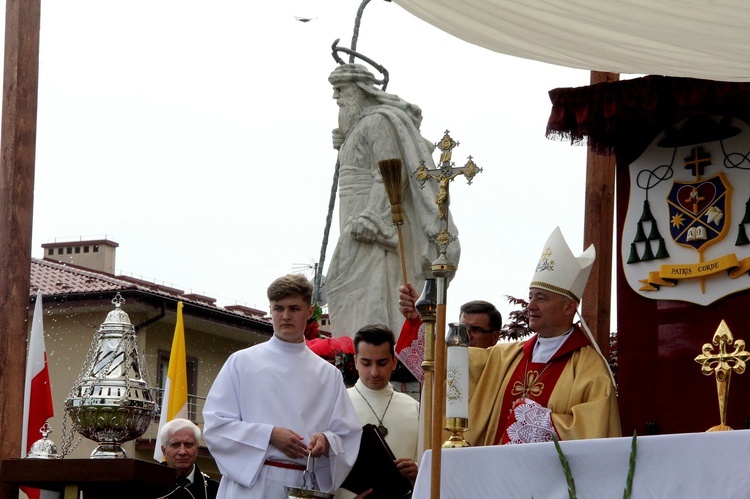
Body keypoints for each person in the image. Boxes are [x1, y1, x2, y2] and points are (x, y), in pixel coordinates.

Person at [325, 63, 460, 340]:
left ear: (361, 91)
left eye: (341, 89)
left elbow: (388, 170)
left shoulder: (378, 121)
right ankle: (356, 352)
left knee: (372, 289)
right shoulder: (360, 125)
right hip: (352, 215)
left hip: (374, 224)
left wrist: (372, 216)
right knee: (350, 290)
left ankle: (377, 351)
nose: (335, 97)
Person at [203, 274, 362, 499]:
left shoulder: (329, 375)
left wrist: (326, 441)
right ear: (270, 310)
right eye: (278, 308)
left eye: (294, 308)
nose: (285, 316)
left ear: (309, 311)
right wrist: (269, 434)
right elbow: (216, 426)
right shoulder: (242, 362)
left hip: (302, 485)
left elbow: (347, 435)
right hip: (251, 485)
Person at [467, 227, 621, 446]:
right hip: (497, 474)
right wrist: (422, 321)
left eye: (541, 298)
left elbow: (594, 431)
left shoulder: (590, 368)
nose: (531, 306)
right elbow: (454, 368)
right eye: (530, 297)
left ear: (569, 307)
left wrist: (535, 420)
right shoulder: (504, 357)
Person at [335, 324, 420, 499]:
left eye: (382, 363)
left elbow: (430, 462)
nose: (374, 372)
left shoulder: (414, 408)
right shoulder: (338, 405)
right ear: (356, 361)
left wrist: (417, 469)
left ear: (394, 361)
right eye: (366, 363)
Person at [157, 418, 219, 499]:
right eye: (175, 444)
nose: (182, 452)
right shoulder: (145, 485)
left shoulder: (215, 490)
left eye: (188, 444)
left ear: (197, 449)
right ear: (164, 451)